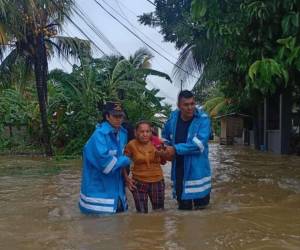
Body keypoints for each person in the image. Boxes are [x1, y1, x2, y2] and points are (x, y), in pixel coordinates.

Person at [162, 90, 212, 210]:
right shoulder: (173, 118)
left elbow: (198, 145)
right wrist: (164, 150)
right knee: (183, 212)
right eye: (186, 104)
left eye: (192, 103)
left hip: (198, 172)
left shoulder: (203, 119)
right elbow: (165, 137)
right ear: (179, 106)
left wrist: (175, 149)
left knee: (202, 212)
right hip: (179, 169)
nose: (190, 107)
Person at [79, 101, 131, 214]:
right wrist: (127, 159)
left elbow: (120, 157)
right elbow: (107, 166)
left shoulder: (122, 133)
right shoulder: (98, 136)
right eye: (115, 116)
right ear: (107, 116)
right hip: (98, 199)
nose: (118, 119)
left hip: (117, 195)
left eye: (121, 116)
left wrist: (126, 177)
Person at [123, 121, 166, 213]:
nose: (145, 134)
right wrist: (127, 179)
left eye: (147, 131)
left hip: (157, 181)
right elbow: (123, 164)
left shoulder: (157, 142)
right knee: (141, 214)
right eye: (141, 132)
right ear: (136, 132)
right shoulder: (131, 145)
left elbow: (164, 162)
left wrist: (162, 153)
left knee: (159, 213)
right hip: (138, 182)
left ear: (151, 132)